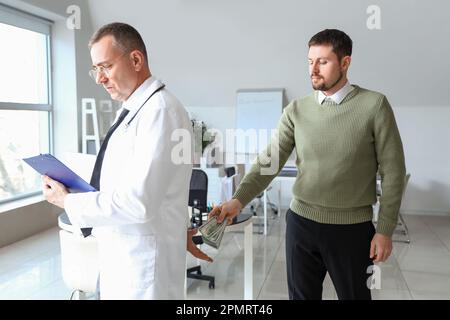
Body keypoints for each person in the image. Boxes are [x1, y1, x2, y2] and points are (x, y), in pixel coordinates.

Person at [209, 29, 406, 300]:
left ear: (345, 63)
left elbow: (393, 172)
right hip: (302, 225)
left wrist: (384, 230)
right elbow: (269, 161)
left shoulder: (374, 106)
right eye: (309, 61)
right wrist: (237, 200)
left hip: (352, 230)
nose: (313, 69)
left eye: (322, 61)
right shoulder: (296, 110)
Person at [42, 22, 204, 299]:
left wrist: (68, 200)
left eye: (105, 67)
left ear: (136, 59)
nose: (100, 79)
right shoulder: (131, 110)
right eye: (96, 70)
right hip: (120, 254)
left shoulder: (160, 111)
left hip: (144, 267)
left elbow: (139, 204)